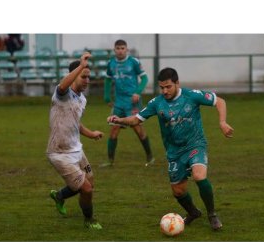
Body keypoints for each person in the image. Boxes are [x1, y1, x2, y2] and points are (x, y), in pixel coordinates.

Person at [107, 67, 234, 230]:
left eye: (168, 86)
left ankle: (212, 215)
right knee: (178, 192)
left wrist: (222, 122)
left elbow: (220, 101)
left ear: (177, 83)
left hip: (195, 144)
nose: (165, 91)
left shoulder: (191, 95)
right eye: (162, 87)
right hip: (174, 151)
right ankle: (194, 212)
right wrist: (119, 120)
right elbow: (136, 120)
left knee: (199, 176)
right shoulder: (157, 103)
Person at [47, 52, 104, 230]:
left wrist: (91, 134)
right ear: (73, 76)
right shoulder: (61, 95)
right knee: (86, 189)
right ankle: (89, 220)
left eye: (88, 77)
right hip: (59, 153)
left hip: (77, 150)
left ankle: (60, 196)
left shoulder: (82, 99)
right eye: (83, 76)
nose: (87, 80)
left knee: (89, 183)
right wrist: (80, 65)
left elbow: (75, 123)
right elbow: (63, 86)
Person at [101, 39, 154, 167]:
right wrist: (107, 97)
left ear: (127, 50)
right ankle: (110, 161)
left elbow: (144, 78)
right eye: (118, 48)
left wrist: (138, 92)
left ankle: (150, 156)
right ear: (114, 50)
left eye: (122, 48)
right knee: (114, 129)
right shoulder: (111, 63)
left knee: (138, 129)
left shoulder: (133, 62)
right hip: (119, 102)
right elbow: (108, 80)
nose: (120, 50)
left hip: (132, 102)